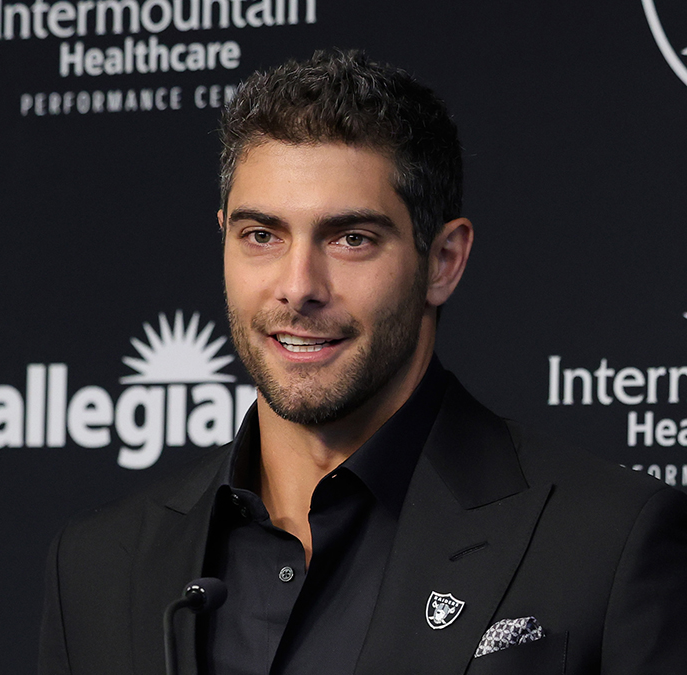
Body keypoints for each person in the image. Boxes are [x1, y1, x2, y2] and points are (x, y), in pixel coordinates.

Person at [38, 50, 687, 675]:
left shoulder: (608, 543)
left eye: (351, 239)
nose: (298, 286)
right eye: (261, 235)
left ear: (443, 261)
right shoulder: (98, 568)